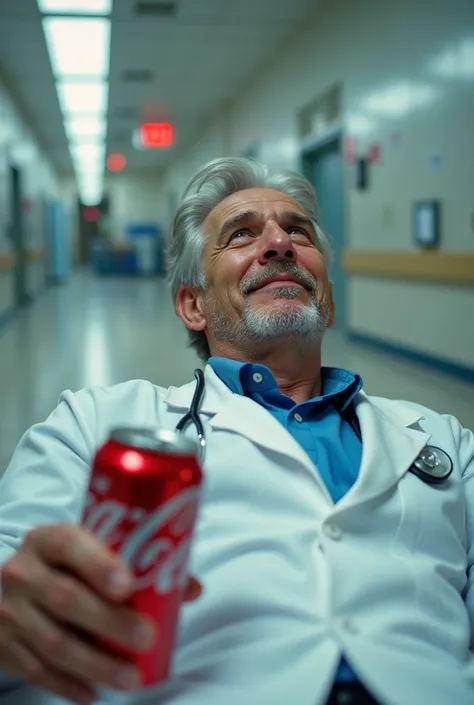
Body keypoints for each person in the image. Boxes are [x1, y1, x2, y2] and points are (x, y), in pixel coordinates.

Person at [0, 157, 473, 705]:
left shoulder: (444, 440)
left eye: (297, 231)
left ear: (329, 298)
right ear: (193, 305)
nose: (279, 244)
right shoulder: (94, 426)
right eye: (242, 234)